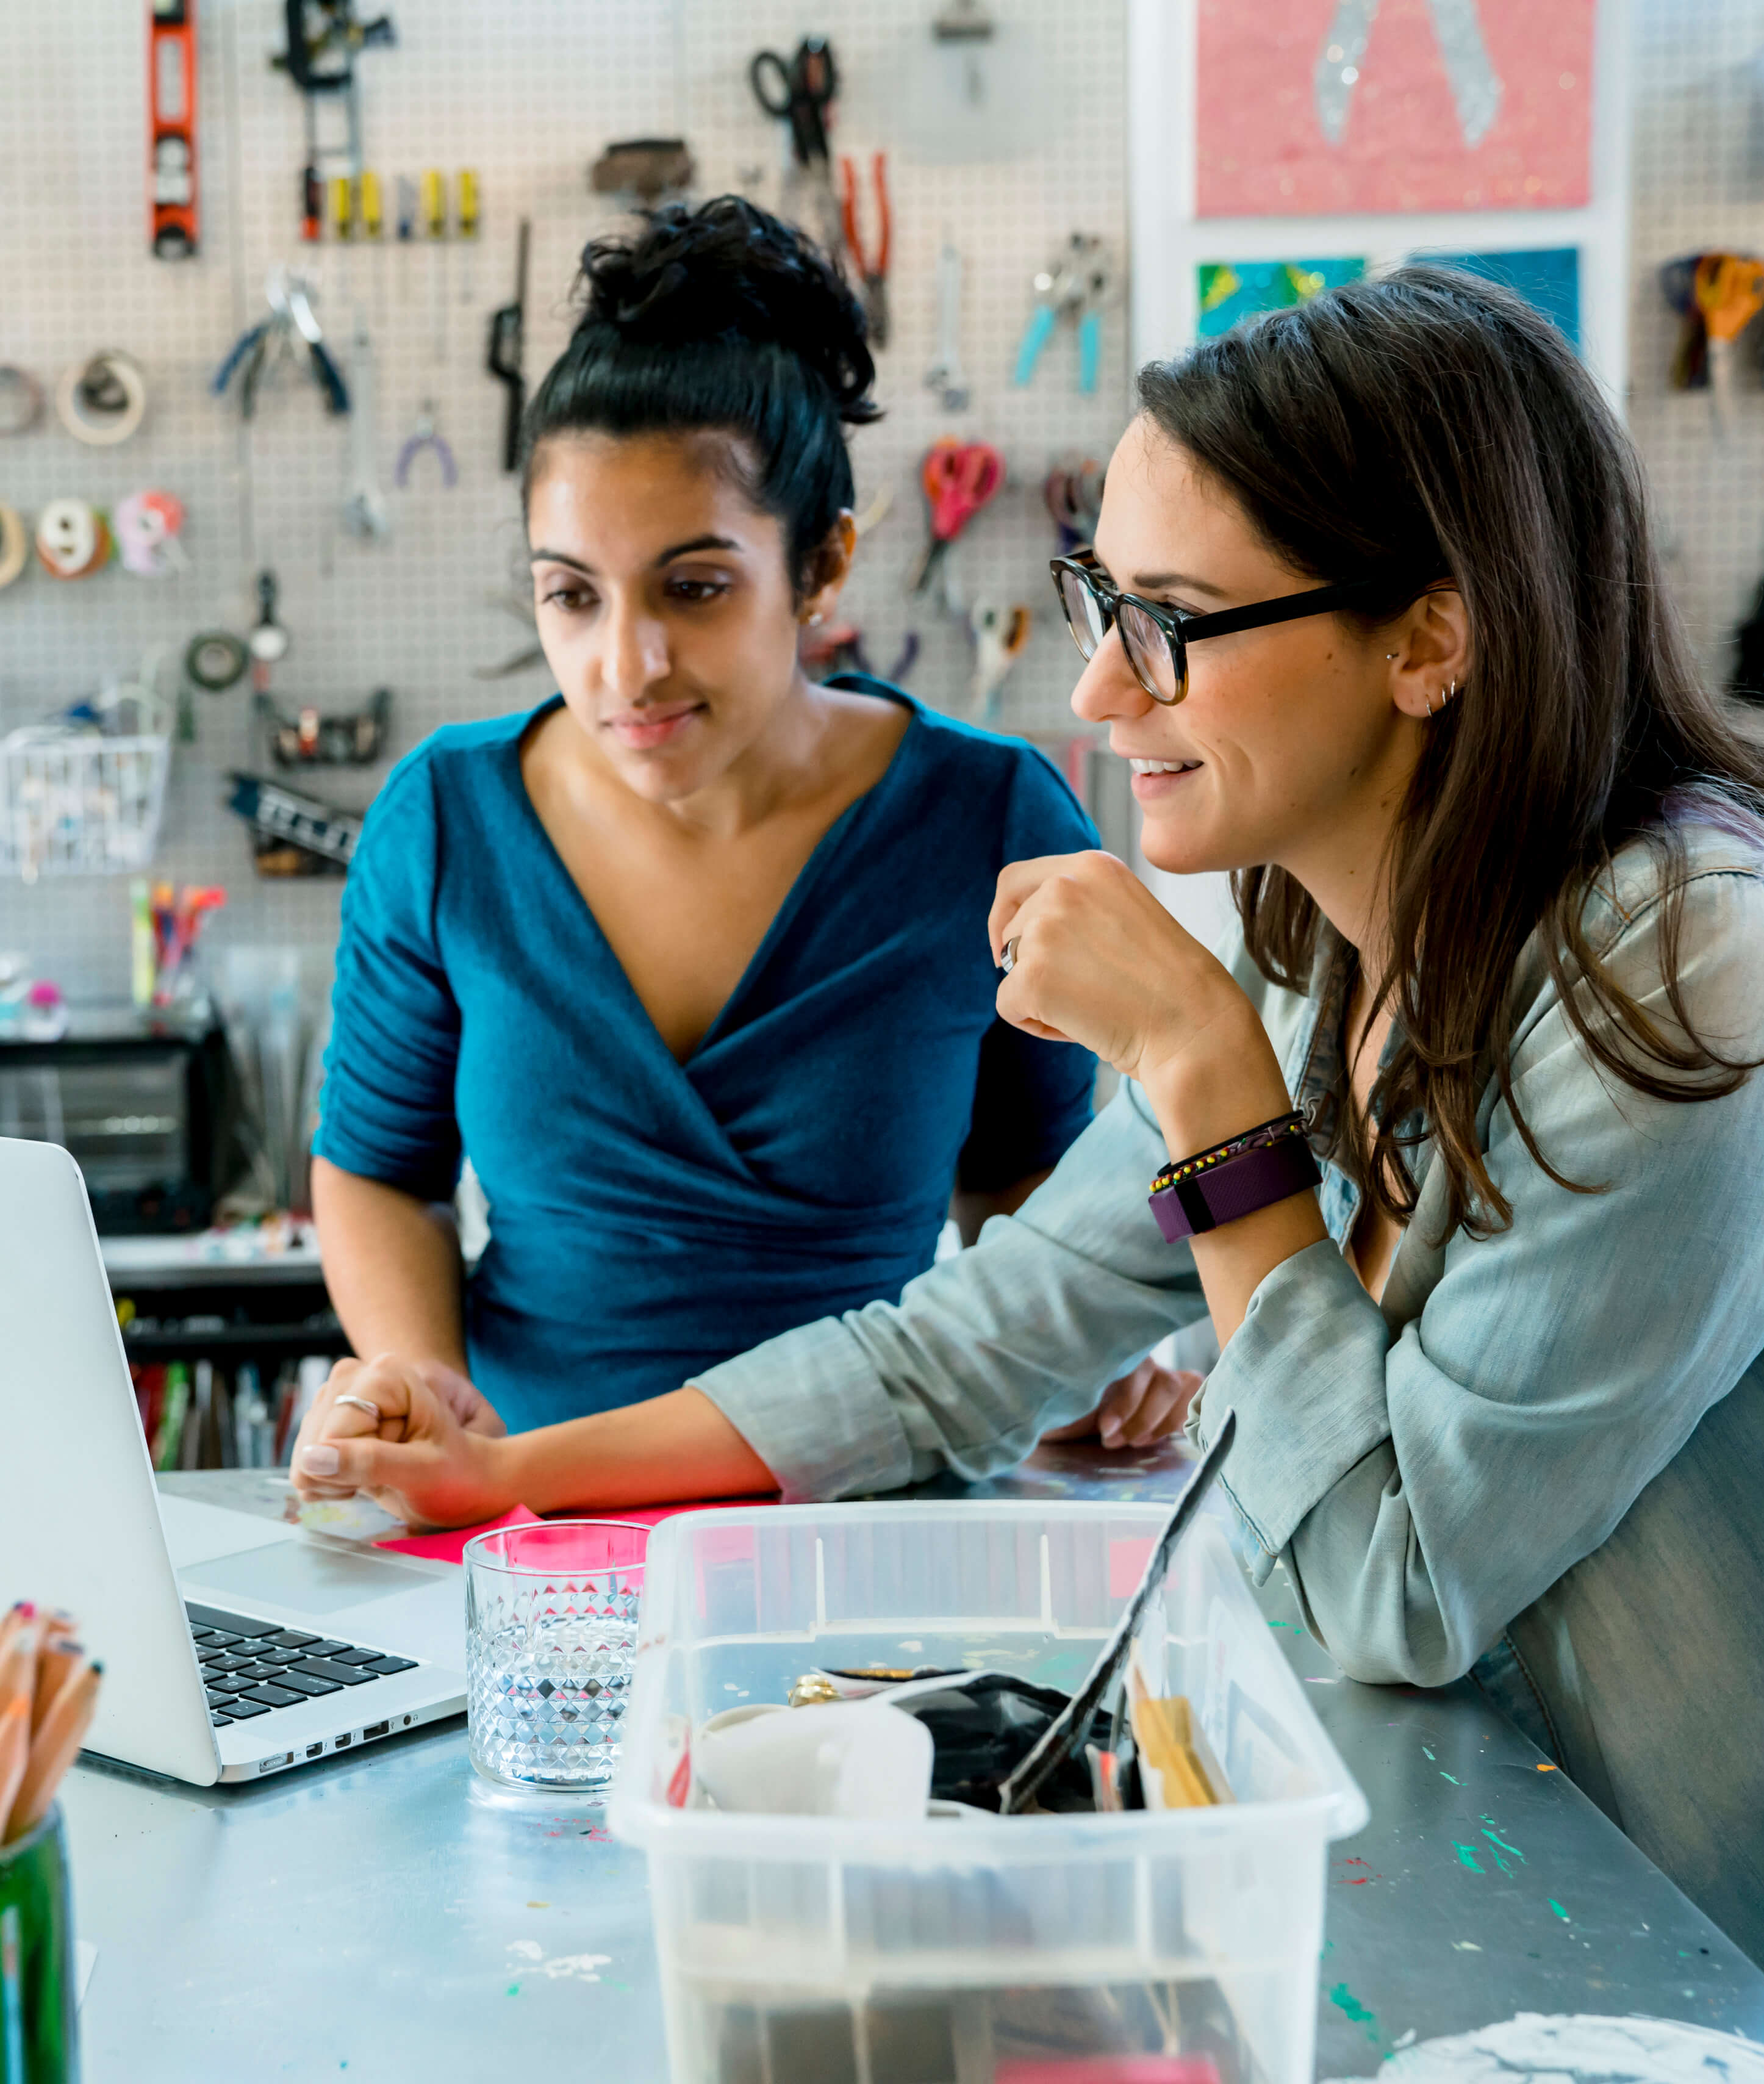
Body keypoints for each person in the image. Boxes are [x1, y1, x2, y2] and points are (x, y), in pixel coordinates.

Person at [292, 268, 1764, 2083]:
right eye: (1099, 594)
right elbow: (962, 1350)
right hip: (1703, 1882)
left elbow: (1388, 1583)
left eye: (1169, 617)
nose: (1097, 688)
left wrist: (1204, 1094)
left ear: (1428, 639)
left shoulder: (1701, 962)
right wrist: (508, 1472)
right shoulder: (1309, 937)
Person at [312, 196, 1188, 1436]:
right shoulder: (445, 821)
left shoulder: (987, 818)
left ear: (822, 565)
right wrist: (422, 1383)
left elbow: (1023, 1177)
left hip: (867, 1528)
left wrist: (1074, 1359)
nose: (627, 662)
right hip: (522, 1518)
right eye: (570, 595)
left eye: (695, 586)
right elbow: (377, 1174)